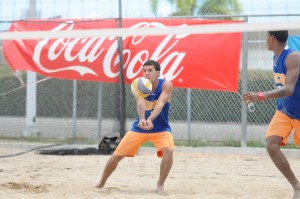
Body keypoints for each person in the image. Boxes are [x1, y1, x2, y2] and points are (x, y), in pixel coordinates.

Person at [95, 60, 174, 195]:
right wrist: (143, 119)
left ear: (158, 73)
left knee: (169, 152)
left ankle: (160, 183)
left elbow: (160, 104)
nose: (147, 73)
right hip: (140, 128)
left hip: (161, 128)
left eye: (150, 70)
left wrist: (150, 119)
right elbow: (140, 102)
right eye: (145, 70)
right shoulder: (139, 84)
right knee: (116, 156)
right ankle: (101, 182)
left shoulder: (166, 85)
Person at [242, 30, 300, 199]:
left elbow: (288, 89)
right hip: (284, 111)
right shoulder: (276, 56)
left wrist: (261, 95)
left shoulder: (293, 56)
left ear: (273, 38)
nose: (265, 39)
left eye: (266, 36)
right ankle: (297, 187)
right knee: (271, 144)